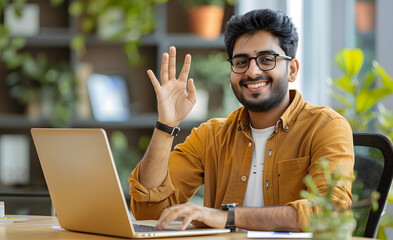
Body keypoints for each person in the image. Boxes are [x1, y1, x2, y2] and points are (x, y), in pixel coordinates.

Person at [128, 8, 354, 232]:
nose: (252, 71)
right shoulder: (211, 136)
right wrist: (166, 125)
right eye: (241, 62)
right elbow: (148, 212)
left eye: (267, 59)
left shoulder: (325, 126)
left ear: (292, 69)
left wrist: (227, 216)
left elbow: (329, 212)